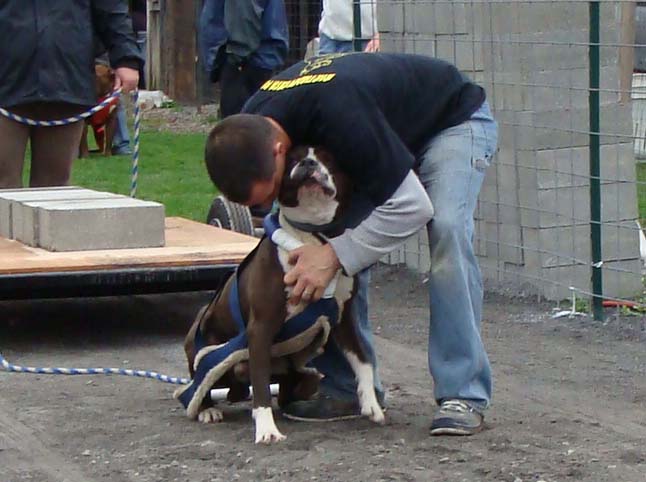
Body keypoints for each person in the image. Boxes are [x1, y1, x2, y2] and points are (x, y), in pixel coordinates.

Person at [204, 52, 497, 436]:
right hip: (380, 138)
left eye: (272, 189)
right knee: (337, 231)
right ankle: (346, 386)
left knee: (446, 226)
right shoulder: (252, 120)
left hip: (448, 124)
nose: (271, 201)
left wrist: (334, 254)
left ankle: (463, 393)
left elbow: (412, 207)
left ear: (278, 150)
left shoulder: (341, 114)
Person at [0, 1, 142, 189]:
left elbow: (111, 9)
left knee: (54, 188)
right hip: (6, 81)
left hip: (67, 82)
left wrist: (126, 59)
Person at [198, 0, 289, 119]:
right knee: (248, 126)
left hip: (246, 60)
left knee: (241, 127)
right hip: (250, 59)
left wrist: (236, 55)